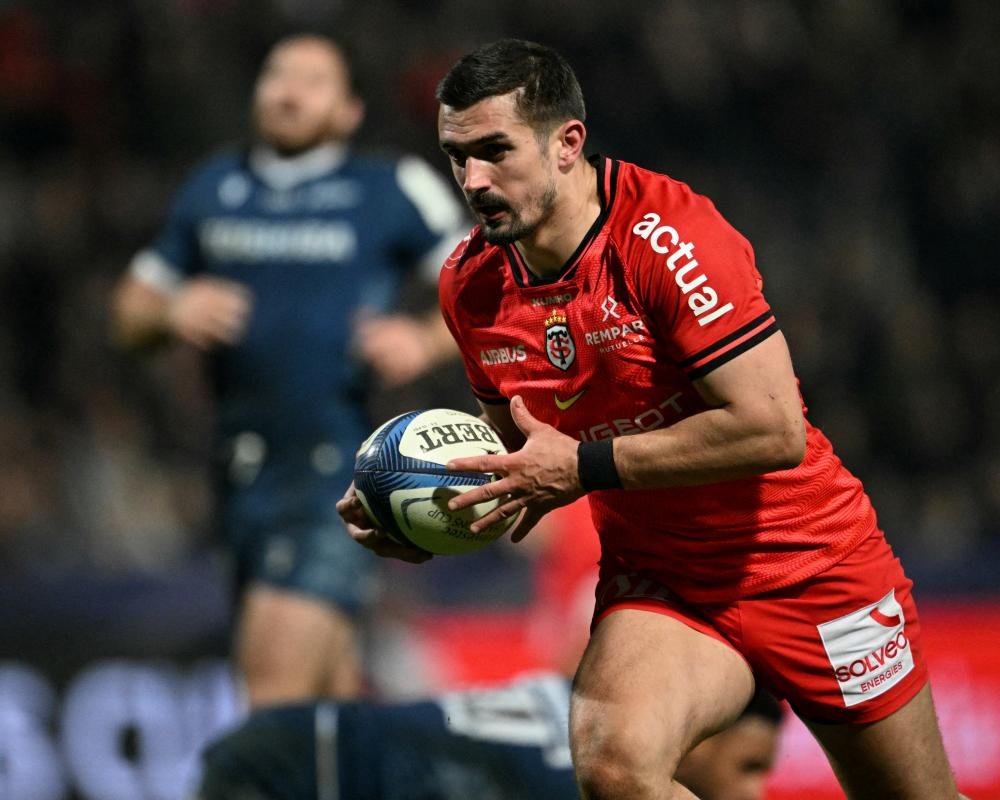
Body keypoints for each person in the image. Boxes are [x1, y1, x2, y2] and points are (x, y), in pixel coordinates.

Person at [337, 39, 968, 799]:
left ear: (567, 143)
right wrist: (423, 517)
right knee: (614, 766)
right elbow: (523, 466)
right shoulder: (470, 288)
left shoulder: (667, 235)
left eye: (495, 151)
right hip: (666, 582)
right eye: (456, 156)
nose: (473, 180)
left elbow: (772, 429)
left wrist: (586, 468)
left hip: (808, 564)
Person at [112, 34, 466, 708]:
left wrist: (424, 337)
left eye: (313, 78)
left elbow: (494, 281)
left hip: (336, 465)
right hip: (238, 467)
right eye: (276, 73)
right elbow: (128, 313)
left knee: (271, 698)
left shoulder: (388, 186)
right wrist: (171, 310)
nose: (288, 89)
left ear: (350, 109)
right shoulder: (214, 185)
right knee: (322, 703)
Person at [194, 675, 783, 800]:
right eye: (751, 766)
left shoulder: (592, 710)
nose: (757, 793)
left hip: (285, 744)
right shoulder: (590, 780)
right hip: (291, 773)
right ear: (701, 739)